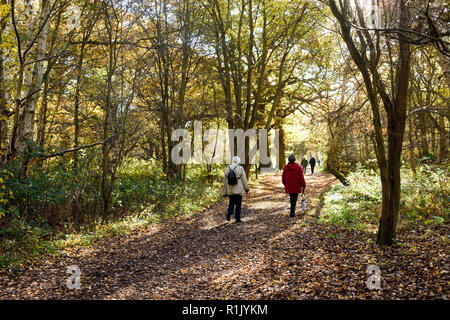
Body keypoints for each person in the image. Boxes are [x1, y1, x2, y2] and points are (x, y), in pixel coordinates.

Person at [222, 156, 249, 222]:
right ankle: (237, 218)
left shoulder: (227, 168)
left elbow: (225, 181)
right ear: (238, 161)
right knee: (238, 204)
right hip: (238, 189)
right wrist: (246, 188)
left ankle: (229, 213)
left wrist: (224, 192)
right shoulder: (240, 168)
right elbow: (244, 179)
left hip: (230, 189)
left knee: (231, 202)